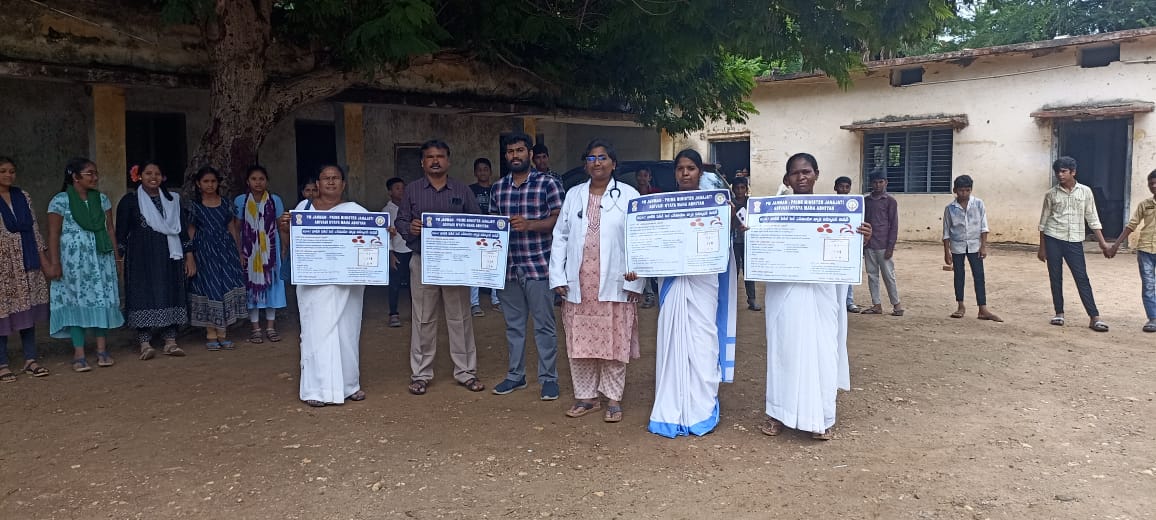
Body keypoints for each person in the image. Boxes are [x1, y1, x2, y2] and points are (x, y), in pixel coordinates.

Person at [761, 153, 872, 441]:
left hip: (822, 293)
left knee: (822, 350)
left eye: (806, 172)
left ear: (817, 174)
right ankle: (777, 413)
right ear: (787, 178)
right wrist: (751, 232)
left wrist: (861, 237)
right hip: (785, 292)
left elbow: (843, 251)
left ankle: (820, 418)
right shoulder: (774, 210)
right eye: (795, 173)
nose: (801, 178)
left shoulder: (835, 210)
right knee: (783, 350)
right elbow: (762, 248)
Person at [647, 148, 738, 438]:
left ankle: (700, 406)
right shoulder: (662, 205)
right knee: (673, 341)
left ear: (700, 172)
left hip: (704, 281)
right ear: (675, 174)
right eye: (680, 169)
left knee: (702, 340)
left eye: (691, 168)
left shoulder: (717, 204)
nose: (685, 173)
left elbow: (731, 237)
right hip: (672, 280)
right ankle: (671, 406)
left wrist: (732, 217)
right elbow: (651, 242)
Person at [551, 139, 643, 422]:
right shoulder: (574, 195)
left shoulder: (629, 195)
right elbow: (561, 236)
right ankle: (586, 397)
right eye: (591, 159)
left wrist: (636, 279)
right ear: (585, 165)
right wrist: (557, 275)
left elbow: (639, 239)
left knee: (614, 340)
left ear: (613, 163)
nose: (597, 163)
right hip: (580, 282)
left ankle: (613, 399)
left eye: (602, 158)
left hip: (616, 281)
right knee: (580, 342)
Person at [396, 140, 486, 395]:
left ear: (448, 160)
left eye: (440, 156)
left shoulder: (461, 190)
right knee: (423, 318)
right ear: (422, 162)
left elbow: (478, 221)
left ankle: (466, 372)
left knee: (461, 318)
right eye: (430, 157)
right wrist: (409, 228)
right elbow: (401, 220)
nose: (435, 161)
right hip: (423, 260)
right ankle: (421, 374)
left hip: (456, 264)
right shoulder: (412, 191)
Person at [279, 165, 369, 407]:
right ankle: (316, 389)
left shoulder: (356, 211)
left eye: (336, 178)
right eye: (325, 178)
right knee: (315, 332)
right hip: (313, 282)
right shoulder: (302, 209)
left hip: (346, 284)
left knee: (347, 331)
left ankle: (349, 385)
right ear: (317, 184)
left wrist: (385, 232)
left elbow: (373, 239)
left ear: (343, 184)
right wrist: (284, 229)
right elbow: (289, 245)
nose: (330, 182)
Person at [489, 133, 564, 399]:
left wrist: (531, 225)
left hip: (538, 266)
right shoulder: (498, 188)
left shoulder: (548, 184)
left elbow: (560, 221)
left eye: (520, 150)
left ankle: (548, 378)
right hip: (508, 268)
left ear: (530, 153)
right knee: (514, 325)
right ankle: (515, 376)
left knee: (544, 325)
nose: (515, 156)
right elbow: (492, 228)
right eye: (510, 151)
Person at [47, 158, 124, 371]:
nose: (95, 177)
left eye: (96, 173)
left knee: (101, 298)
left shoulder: (102, 199)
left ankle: (102, 350)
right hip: (73, 262)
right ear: (75, 176)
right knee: (75, 301)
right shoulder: (60, 201)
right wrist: (55, 262)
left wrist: (117, 259)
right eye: (90, 173)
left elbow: (109, 229)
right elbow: (53, 233)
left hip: (100, 259)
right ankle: (79, 353)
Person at [117, 162, 195, 359]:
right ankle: (145, 343)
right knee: (141, 293)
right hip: (141, 257)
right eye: (148, 173)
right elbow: (121, 234)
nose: (153, 177)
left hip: (170, 256)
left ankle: (170, 341)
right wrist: (119, 258)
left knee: (171, 291)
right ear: (139, 176)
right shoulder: (130, 201)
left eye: (157, 173)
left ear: (163, 177)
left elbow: (183, 231)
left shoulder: (173, 200)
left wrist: (189, 256)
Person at [1039, 156, 1110, 331]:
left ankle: (1094, 317)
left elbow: (1092, 217)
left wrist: (1102, 243)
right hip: (1053, 238)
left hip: (1074, 241)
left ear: (1073, 172)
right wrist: (1042, 248)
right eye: (1058, 172)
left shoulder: (1085, 192)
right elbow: (1043, 222)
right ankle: (1059, 313)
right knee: (1055, 277)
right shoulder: (1051, 194)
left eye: (1063, 171)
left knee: (1082, 278)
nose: (1060, 175)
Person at [0, 156, 50, 381]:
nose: (8, 175)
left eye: (11, 171)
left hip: (26, 259)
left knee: (26, 310)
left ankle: (30, 359)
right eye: (2, 171)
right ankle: (2, 364)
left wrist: (43, 259)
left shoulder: (23, 196)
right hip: (3, 265)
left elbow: (35, 229)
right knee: (2, 311)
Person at [187, 166, 247, 351]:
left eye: (213, 181)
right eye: (206, 181)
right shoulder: (194, 207)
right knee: (209, 288)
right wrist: (189, 255)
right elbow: (190, 231)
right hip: (204, 252)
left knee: (224, 286)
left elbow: (232, 228)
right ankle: (211, 333)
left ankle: (223, 332)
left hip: (225, 251)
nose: (210, 185)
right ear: (198, 184)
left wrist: (238, 252)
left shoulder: (226, 204)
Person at [234, 165, 287, 343]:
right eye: (254, 179)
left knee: (271, 286)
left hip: (270, 251)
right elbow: (236, 228)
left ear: (267, 181)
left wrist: (284, 248)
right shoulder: (240, 201)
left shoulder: (275, 200)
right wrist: (239, 251)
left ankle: (271, 327)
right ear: (248, 181)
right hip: (249, 251)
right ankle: (255, 328)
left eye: (262, 179)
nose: (258, 182)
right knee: (252, 287)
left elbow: (281, 226)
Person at [943, 175, 1002, 322]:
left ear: (971, 190)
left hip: (975, 245)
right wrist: (947, 252)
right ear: (955, 190)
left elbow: (984, 226)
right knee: (959, 275)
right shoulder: (950, 209)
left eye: (967, 190)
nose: (964, 194)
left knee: (979, 275)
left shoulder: (978, 204)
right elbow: (946, 231)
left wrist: (983, 246)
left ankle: (982, 308)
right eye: (961, 190)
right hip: (957, 246)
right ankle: (960, 305)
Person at [1109, 170, 1156, 332]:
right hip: (1145, 250)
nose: (1153, 186)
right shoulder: (1145, 204)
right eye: (1151, 183)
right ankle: (1153, 318)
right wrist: (1115, 245)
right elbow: (1132, 225)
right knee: (1148, 285)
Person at [861, 172, 903, 316]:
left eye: (880, 182)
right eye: (875, 182)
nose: (877, 185)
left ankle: (897, 305)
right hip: (869, 244)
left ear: (886, 182)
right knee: (872, 275)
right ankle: (876, 304)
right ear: (870, 183)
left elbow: (894, 225)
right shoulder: (866, 201)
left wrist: (890, 246)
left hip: (884, 245)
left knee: (888, 276)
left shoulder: (890, 201)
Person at [467, 158, 501, 316]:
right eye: (479, 170)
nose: (482, 172)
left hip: (494, 233)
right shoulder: (470, 190)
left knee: (493, 265)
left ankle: (496, 299)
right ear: (475, 173)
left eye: (485, 169)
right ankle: (474, 303)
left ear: (490, 172)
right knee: (475, 267)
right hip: (475, 233)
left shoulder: (497, 189)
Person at [383, 177, 412, 328]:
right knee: (394, 285)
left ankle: (416, 312)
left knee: (413, 285)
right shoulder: (386, 211)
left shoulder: (410, 208)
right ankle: (393, 314)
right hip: (397, 252)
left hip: (411, 250)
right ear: (390, 192)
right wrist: (390, 254)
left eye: (403, 187)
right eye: (397, 188)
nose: (401, 190)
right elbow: (384, 236)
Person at [731, 176, 761, 311]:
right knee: (734, 271)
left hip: (748, 241)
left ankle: (752, 299)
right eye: (737, 188)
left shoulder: (752, 204)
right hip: (734, 242)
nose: (739, 191)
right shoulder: (730, 204)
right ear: (733, 189)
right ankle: (730, 300)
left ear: (746, 189)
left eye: (742, 188)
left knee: (749, 271)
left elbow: (757, 221)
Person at [281, 177, 318, 285]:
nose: (311, 193)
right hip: (304, 251)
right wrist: (285, 249)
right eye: (308, 190)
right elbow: (291, 230)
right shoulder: (302, 206)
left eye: (314, 190)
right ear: (302, 192)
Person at [834, 176, 862, 312]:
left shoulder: (855, 205)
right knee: (833, 274)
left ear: (850, 188)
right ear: (835, 188)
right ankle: (834, 301)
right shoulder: (830, 204)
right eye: (841, 187)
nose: (844, 190)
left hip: (849, 243)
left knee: (848, 273)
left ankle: (849, 301)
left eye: (847, 187)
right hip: (833, 243)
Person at [637, 167, 661, 308]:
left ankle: (659, 292)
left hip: (656, 233)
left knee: (656, 266)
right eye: (639, 175)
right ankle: (649, 295)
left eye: (645, 175)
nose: (642, 178)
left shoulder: (657, 193)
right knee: (644, 266)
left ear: (649, 177)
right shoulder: (632, 194)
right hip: (640, 235)